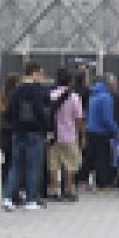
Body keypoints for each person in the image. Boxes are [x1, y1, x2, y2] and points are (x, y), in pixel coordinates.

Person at [2, 63, 48, 211]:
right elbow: (41, 112)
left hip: (17, 132)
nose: (41, 77)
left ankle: (8, 198)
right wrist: (45, 128)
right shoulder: (36, 91)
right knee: (31, 167)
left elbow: (8, 113)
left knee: (15, 166)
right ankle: (30, 200)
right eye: (40, 73)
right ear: (34, 73)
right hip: (34, 133)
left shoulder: (16, 91)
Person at [45, 69, 84, 202]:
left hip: (53, 135)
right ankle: (68, 190)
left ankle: (53, 190)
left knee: (53, 164)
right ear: (70, 81)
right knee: (70, 164)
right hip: (69, 134)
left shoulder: (51, 95)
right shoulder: (74, 97)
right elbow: (78, 118)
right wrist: (80, 134)